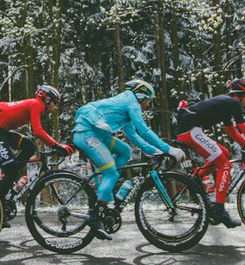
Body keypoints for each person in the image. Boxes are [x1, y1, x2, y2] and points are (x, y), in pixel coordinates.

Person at [72, 79, 184, 240]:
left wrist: (157, 151)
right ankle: (95, 217)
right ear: (141, 95)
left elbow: (134, 136)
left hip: (98, 133)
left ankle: (107, 189)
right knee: (111, 173)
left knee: (125, 150)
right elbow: (144, 130)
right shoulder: (131, 103)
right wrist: (169, 149)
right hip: (86, 132)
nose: (148, 105)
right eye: (149, 101)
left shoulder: (126, 104)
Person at [173, 79, 245, 228]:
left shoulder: (226, 105)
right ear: (242, 95)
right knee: (224, 165)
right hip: (190, 131)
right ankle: (219, 209)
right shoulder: (232, 104)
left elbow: (234, 133)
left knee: (224, 153)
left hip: (190, 130)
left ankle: (195, 180)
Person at [0, 84, 75, 225]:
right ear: (47, 99)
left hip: (0, 130)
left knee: (29, 146)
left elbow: (36, 133)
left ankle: (9, 170)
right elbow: (38, 131)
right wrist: (56, 145)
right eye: (55, 103)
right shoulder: (36, 104)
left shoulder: (35, 104)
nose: (55, 107)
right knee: (11, 171)